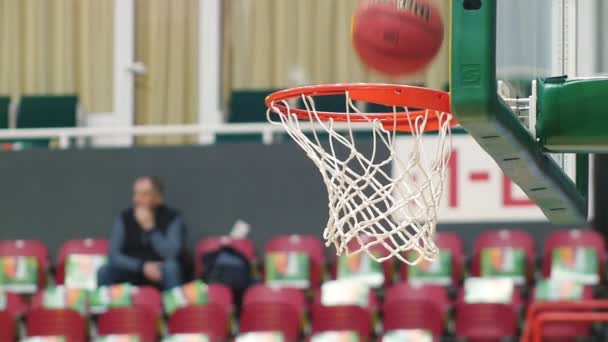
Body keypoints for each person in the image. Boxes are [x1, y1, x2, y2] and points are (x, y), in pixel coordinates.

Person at [97, 176, 191, 290]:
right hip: (133, 269)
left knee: (171, 267)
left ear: (158, 197)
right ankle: (104, 306)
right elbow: (114, 255)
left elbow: (171, 253)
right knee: (105, 270)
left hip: (160, 270)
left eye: (144, 195)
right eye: (136, 194)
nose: (137, 199)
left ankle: (173, 306)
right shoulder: (124, 218)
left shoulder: (173, 218)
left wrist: (151, 229)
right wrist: (142, 267)